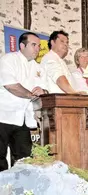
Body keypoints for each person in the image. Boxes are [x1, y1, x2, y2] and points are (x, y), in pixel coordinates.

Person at [0, 32, 48, 171]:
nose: (37, 48)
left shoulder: (38, 67)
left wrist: (43, 91)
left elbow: (45, 89)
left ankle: (22, 190)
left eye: (39, 45)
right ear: (22, 45)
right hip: (3, 115)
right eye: (34, 45)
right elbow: (11, 85)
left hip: (23, 119)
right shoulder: (8, 59)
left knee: (24, 158)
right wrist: (31, 95)